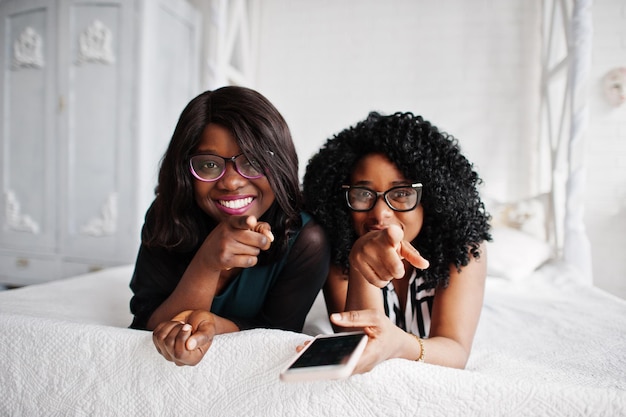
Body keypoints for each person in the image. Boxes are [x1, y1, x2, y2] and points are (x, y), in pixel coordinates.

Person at [129, 86, 329, 366]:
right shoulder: (167, 215)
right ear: (185, 170)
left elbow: (277, 339)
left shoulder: (308, 240)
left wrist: (212, 324)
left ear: (280, 164)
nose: (231, 182)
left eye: (253, 162)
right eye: (209, 165)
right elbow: (146, 324)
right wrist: (207, 263)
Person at [302, 111, 491, 372]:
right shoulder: (336, 249)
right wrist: (358, 262)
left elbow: (455, 351)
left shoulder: (463, 249)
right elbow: (361, 346)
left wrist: (400, 345)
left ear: (433, 198)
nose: (380, 213)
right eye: (363, 194)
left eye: (401, 193)